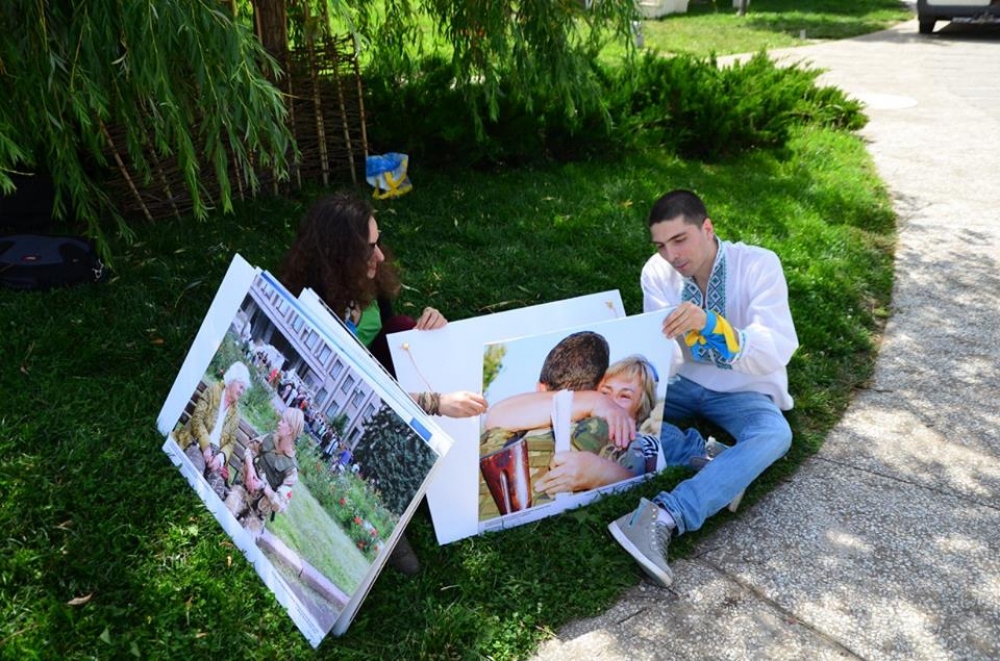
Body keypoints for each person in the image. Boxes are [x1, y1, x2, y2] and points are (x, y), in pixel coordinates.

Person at [278, 192, 488, 573]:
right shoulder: (314, 308)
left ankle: (439, 471)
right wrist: (435, 402)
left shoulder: (365, 282)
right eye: (368, 250)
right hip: (339, 402)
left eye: (378, 242)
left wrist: (428, 328)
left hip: (375, 372)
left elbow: (391, 340)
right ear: (338, 257)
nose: (379, 256)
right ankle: (386, 513)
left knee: (405, 326)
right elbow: (358, 389)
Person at [608, 189, 799, 588]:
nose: (671, 255)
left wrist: (710, 325)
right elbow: (663, 356)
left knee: (775, 434)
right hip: (683, 382)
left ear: (707, 228)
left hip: (745, 389)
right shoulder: (657, 272)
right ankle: (705, 455)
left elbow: (776, 348)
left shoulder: (759, 264)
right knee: (616, 410)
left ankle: (663, 515)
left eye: (680, 239)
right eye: (661, 245)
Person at [481, 353, 661, 513]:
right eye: (605, 393)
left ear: (641, 408)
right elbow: (497, 416)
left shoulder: (644, 443)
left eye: (625, 396)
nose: (611, 402)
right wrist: (595, 401)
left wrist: (601, 474)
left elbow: (650, 487)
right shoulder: (580, 421)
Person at [174, 362, 251, 500]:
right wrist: (206, 447)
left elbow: (231, 443)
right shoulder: (213, 391)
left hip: (216, 455)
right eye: (241, 387)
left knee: (217, 490)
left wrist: (220, 459)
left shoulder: (236, 413)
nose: (241, 392)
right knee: (195, 472)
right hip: (196, 442)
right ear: (232, 380)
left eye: (244, 389)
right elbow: (197, 418)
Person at [225, 407, 303, 537]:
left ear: (290, 430)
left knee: (244, 541)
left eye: (283, 421)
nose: (279, 423)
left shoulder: (291, 470)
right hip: (242, 492)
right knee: (226, 513)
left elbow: (280, 505)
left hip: (257, 514)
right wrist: (250, 469)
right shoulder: (269, 439)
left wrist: (262, 486)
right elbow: (249, 449)